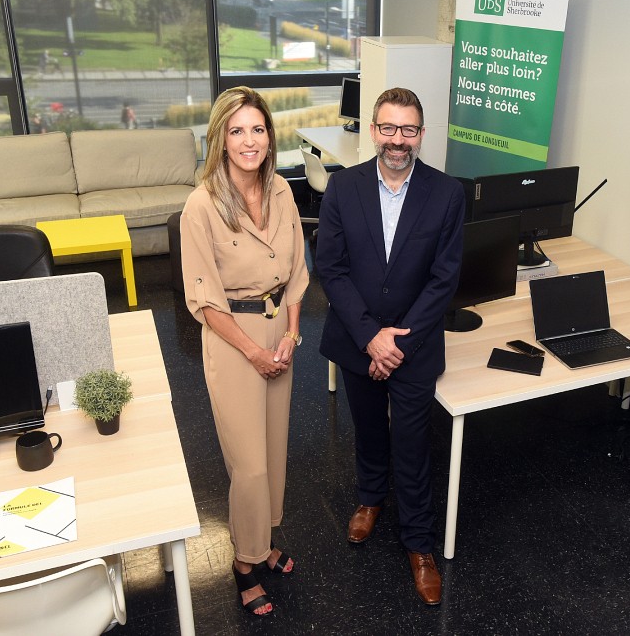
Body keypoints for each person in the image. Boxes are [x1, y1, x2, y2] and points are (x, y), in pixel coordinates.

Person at [315, 87, 465, 606]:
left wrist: (397, 343)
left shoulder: (447, 194)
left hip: (415, 345)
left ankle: (419, 545)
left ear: (421, 135)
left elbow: (444, 280)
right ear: (374, 130)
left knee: (413, 445)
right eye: (387, 128)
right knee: (367, 429)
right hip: (358, 338)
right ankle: (370, 499)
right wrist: (370, 338)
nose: (397, 140)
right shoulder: (341, 188)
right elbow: (329, 269)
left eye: (408, 130)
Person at [179, 86, 309, 617]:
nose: (249, 140)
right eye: (237, 130)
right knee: (249, 465)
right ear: (220, 138)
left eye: (257, 129)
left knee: (275, 455)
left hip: (281, 334)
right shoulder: (202, 204)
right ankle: (243, 562)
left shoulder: (281, 190)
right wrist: (255, 352)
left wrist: (292, 336)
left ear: (269, 137)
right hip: (235, 339)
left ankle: (264, 544)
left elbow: (298, 272)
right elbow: (204, 301)